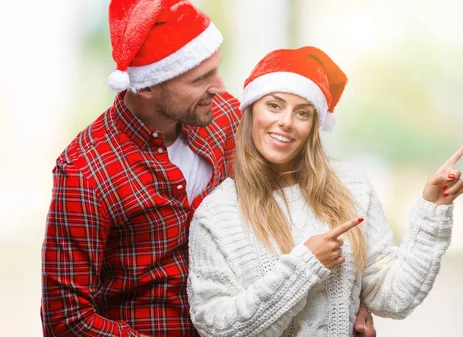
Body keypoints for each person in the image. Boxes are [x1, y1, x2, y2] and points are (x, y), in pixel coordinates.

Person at [41, 1, 376, 336]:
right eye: (200, 78)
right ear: (145, 86)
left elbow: (301, 201)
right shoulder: (85, 173)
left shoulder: (228, 118)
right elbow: (67, 320)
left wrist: (352, 301)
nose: (219, 86)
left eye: (215, 69)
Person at [187, 46, 463, 337]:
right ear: (250, 110)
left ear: (314, 125)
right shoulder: (217, 213)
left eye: (302, 113)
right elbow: (217, 328)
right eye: (274, 105)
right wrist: (306, 264)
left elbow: (394, 298)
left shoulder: (352, 187)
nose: (286, 121)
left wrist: (432, 210)